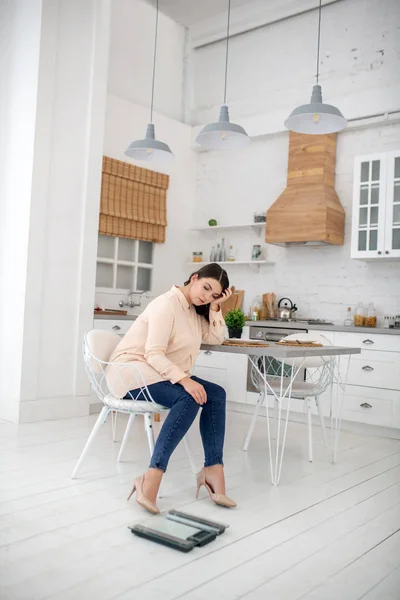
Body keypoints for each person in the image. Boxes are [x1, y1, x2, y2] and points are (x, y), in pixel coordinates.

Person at [107, 263, 236, 514]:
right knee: (188, 399)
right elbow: (153, 354)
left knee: (216, 394)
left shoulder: (194, 310)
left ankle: (212, 469)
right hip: (132, 373)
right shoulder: (166, 304)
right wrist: (186, 381)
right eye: (206, 288)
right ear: (194, 277)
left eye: (213, 294)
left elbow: (215, 338)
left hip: (158, 374)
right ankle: (151, 476)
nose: (206, 295)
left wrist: (216, 308)